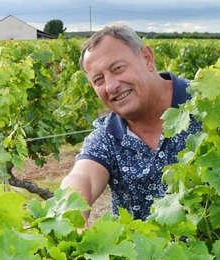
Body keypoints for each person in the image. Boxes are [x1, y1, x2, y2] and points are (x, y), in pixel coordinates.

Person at [59, 24, 202, 222]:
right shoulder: (107, 136)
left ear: (147, 59)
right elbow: (83, 178)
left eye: (117, 68)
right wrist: (69, 218)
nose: (111, 86)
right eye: (98, 80)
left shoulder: (205, 104)